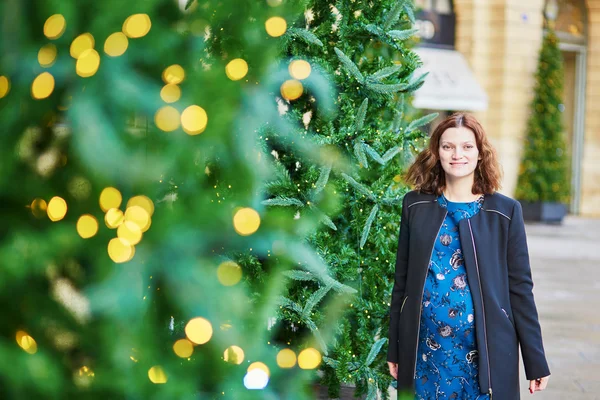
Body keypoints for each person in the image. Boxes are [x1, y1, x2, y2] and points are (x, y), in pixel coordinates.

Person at [386, 113, 550, 399]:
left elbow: (521, 289)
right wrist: (396, 346)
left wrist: (535, 361)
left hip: (485, 352)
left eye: (466, 146)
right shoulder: (415, 205)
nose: (457, 154)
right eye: (448, 147)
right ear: (437, 152)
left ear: (480, 153)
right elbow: (402, 284)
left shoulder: (505, 212)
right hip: (425, 350)